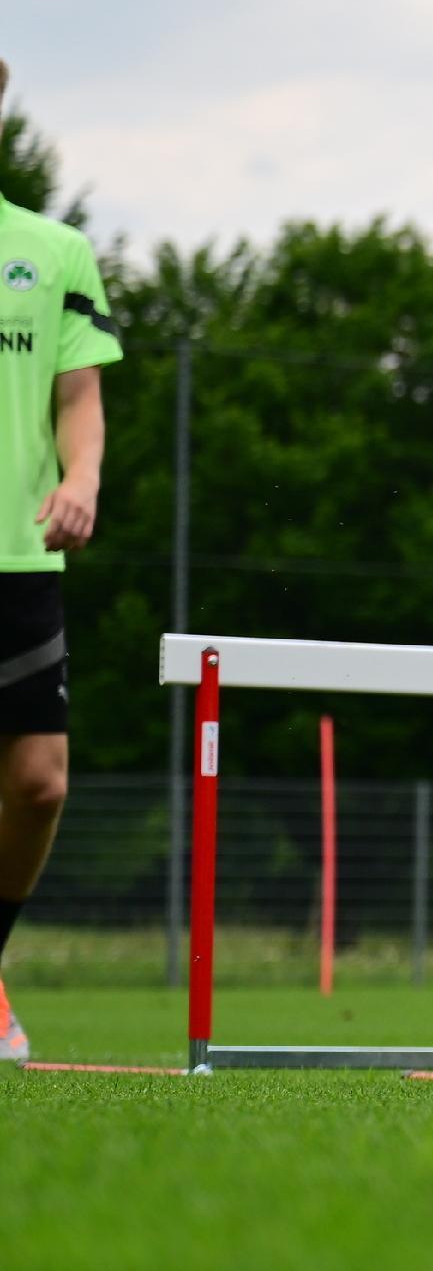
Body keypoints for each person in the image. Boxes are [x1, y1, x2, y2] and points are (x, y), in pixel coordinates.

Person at [0, 59, 122, 1063]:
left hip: (19, 558)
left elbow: (80, 399)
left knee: (39, 782)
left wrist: (80, 479)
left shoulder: (52, 250)